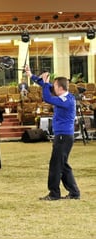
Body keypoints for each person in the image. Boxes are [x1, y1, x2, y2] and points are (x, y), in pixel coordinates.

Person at [25, 66, 81, 200]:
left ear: (60, 88)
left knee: (55, 165)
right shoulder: (66, 96)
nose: (53, 87)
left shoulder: (65, 101)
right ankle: (74, 193)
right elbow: (46, 87)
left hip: (63, 137)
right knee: (63, 165)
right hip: (64, 136)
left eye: (55, 86)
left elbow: (47, 98)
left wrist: (44, 83)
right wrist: (31, 75)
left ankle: (54, 194)